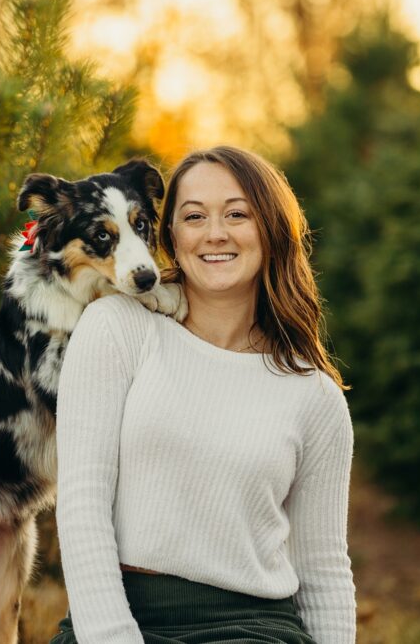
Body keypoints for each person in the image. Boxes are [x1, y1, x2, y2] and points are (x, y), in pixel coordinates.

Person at [51, 146, 356, 643]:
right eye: (194, 216)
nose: (215, 233)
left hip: (253, 630)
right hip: (118, 621)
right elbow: (82, 503)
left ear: (272, 231)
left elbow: (322, 570)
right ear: (170, 234)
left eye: (237, 214)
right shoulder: (117, 329)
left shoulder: (315, 396)